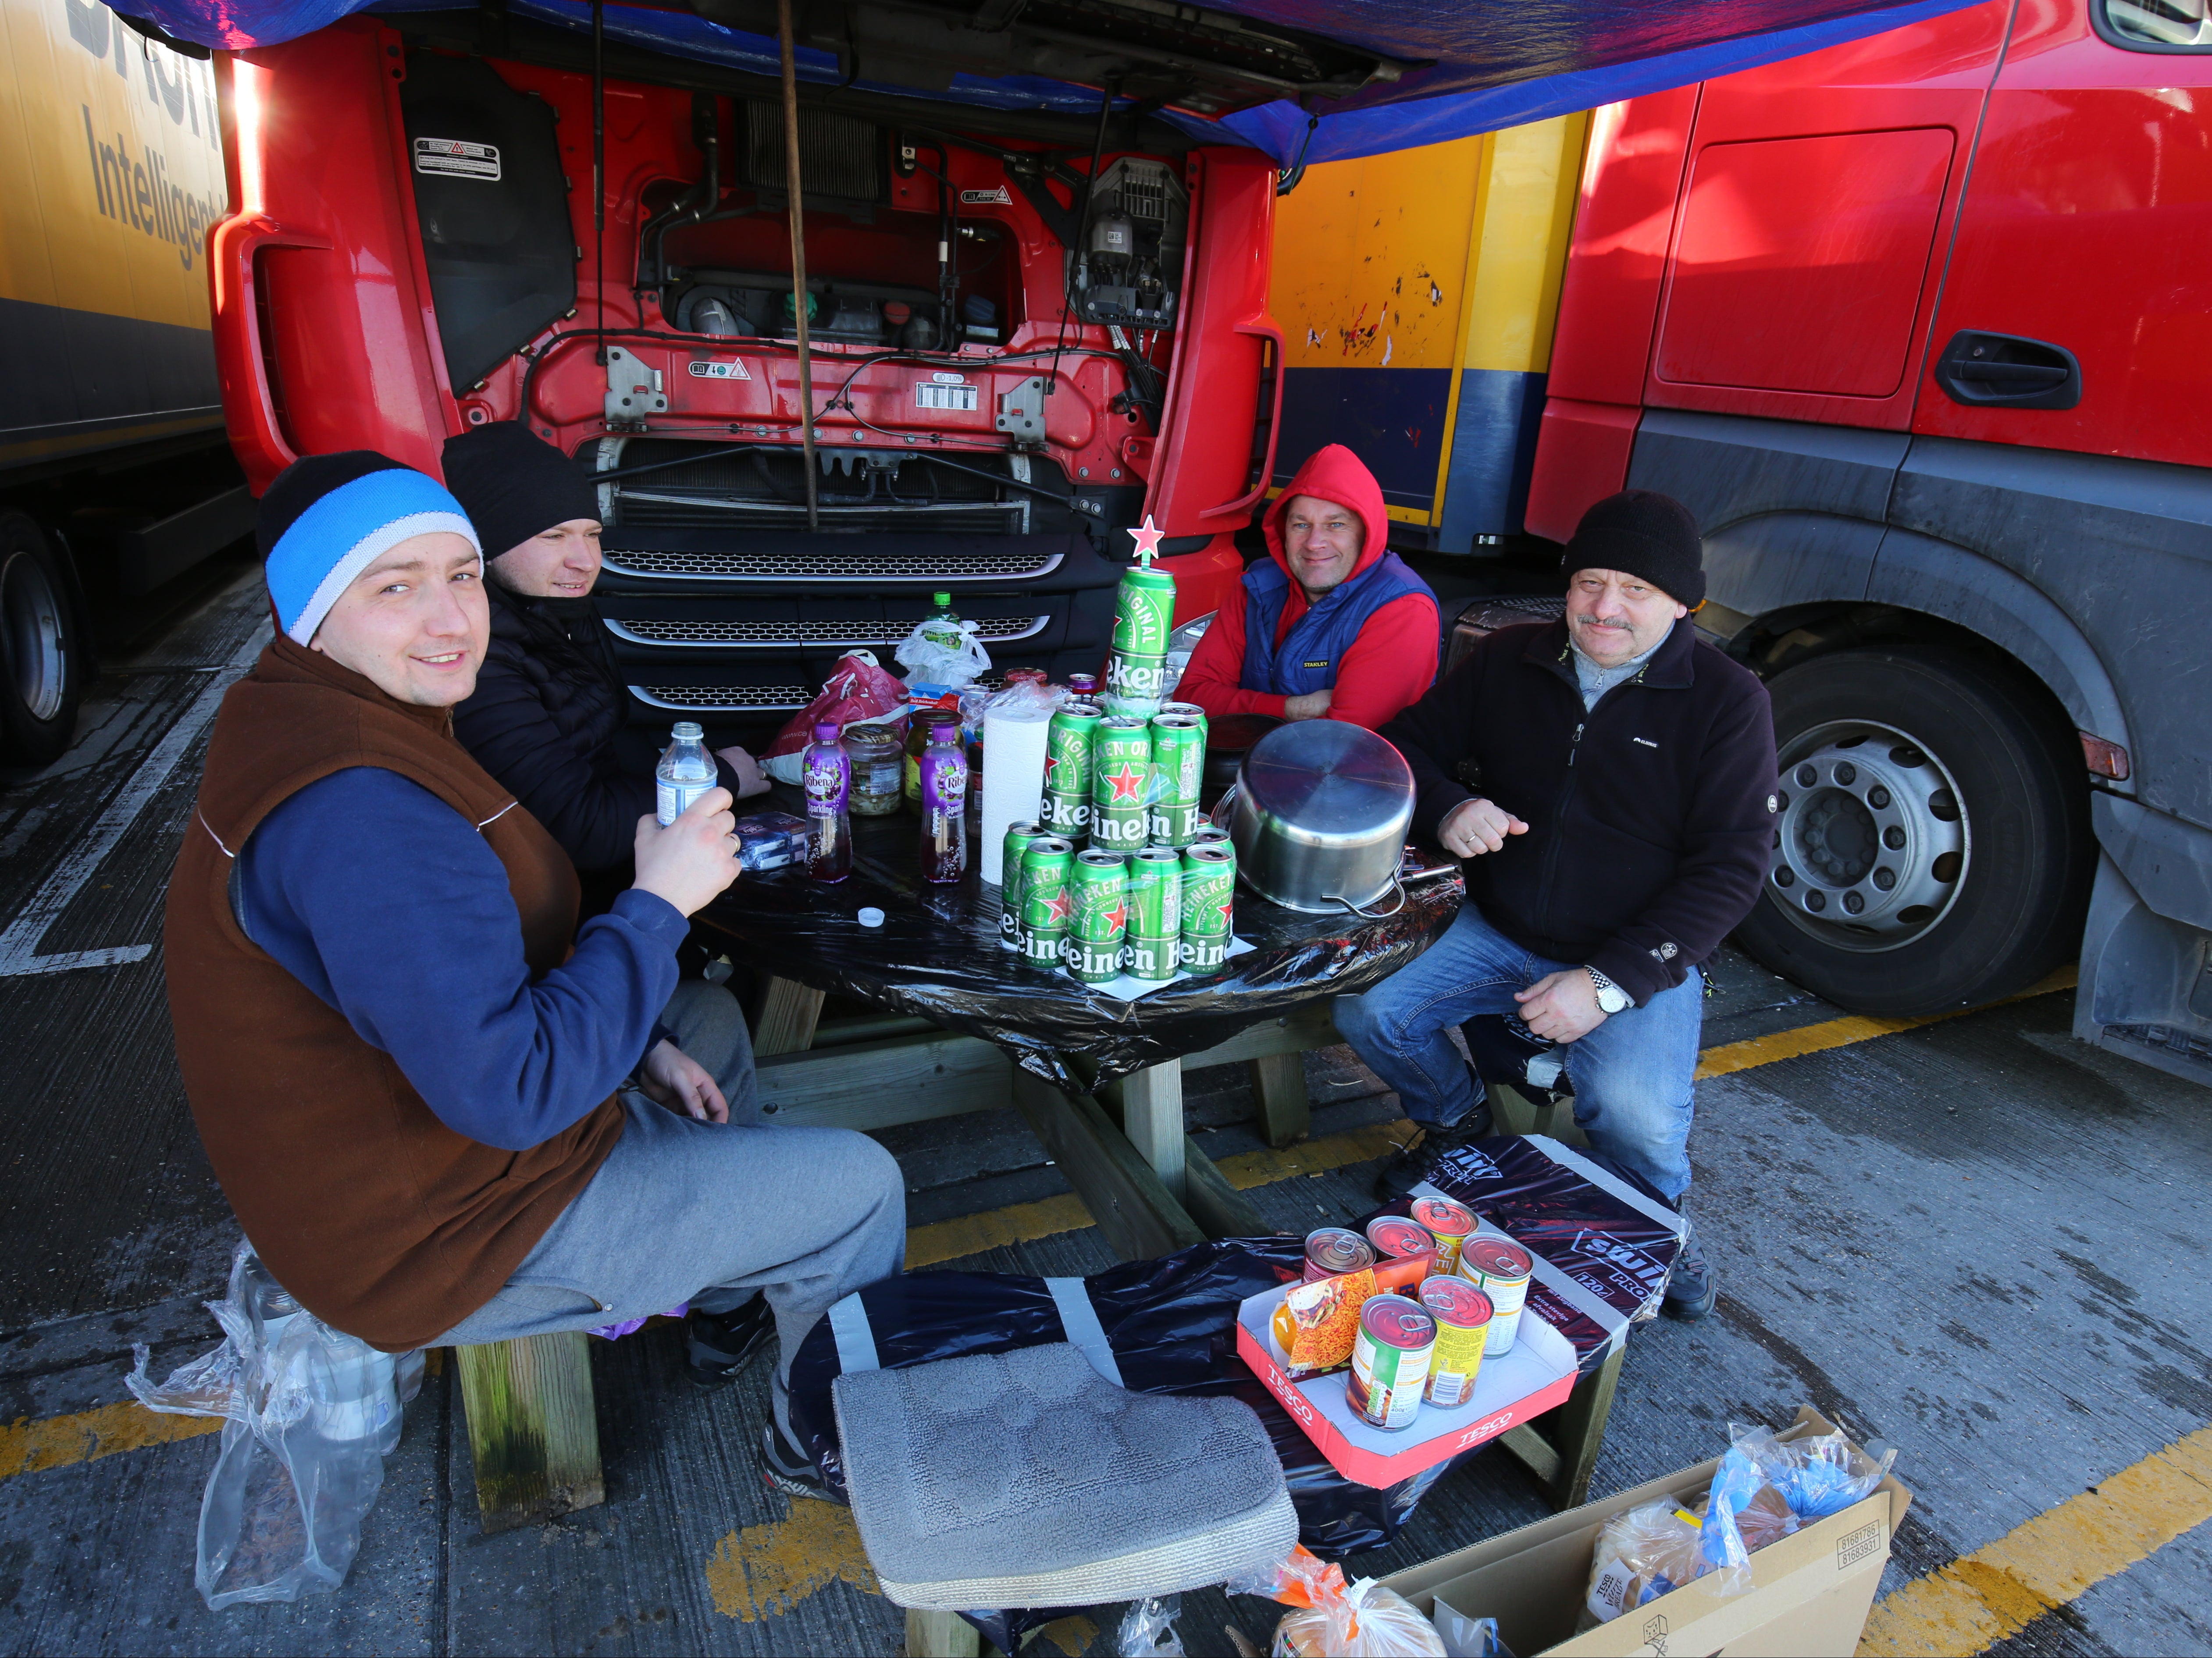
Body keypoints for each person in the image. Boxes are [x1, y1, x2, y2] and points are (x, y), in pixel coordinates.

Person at [163, 451, 901, 1493]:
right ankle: (818, 1446)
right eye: (394, 586)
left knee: (701, 1024)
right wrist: (655, 904)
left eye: (460, 574)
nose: (449, 616)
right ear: (311, 613)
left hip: (422, 1152)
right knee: (861, 1189)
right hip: (441, 1227)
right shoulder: (357, 811)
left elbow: (460, 976)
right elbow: (514, 1091)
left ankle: (727, 1288)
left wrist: (636, 1038)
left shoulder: (321, 714)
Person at [1332, 491, 1777, 1320]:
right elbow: (1403, 746)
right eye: (1591, 582)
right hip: (1497, 929)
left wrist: (1606, 983)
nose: (1605, 608)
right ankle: (1457, 1123)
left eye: (1636, 590)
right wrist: (1447, 807)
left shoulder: (1729, 701)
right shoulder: (1510, 658)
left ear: (1685, 604)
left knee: (1637, 1118)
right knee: (1367, 1012)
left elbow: (1733, 868)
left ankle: (1656, 1223)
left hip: (1632, 952)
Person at [443, 421, 766, 877]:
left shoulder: (558, 611)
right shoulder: (479, 663)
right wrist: (721, 778)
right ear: (486, 549)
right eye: (553, 536)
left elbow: (601, 747)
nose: (586, 560)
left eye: (592, 533)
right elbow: (582, 831)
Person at [1174, 444, 1439, 731]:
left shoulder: (1402, 608)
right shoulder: (1258, 586)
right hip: (1244, 768)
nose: (1314, 544)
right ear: (1282, 530)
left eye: (1336, 525)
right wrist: (1292, 709)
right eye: (1300, 525)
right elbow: (1191, 701)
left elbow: (1346, 740)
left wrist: (1241, 708)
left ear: (1367, 533)